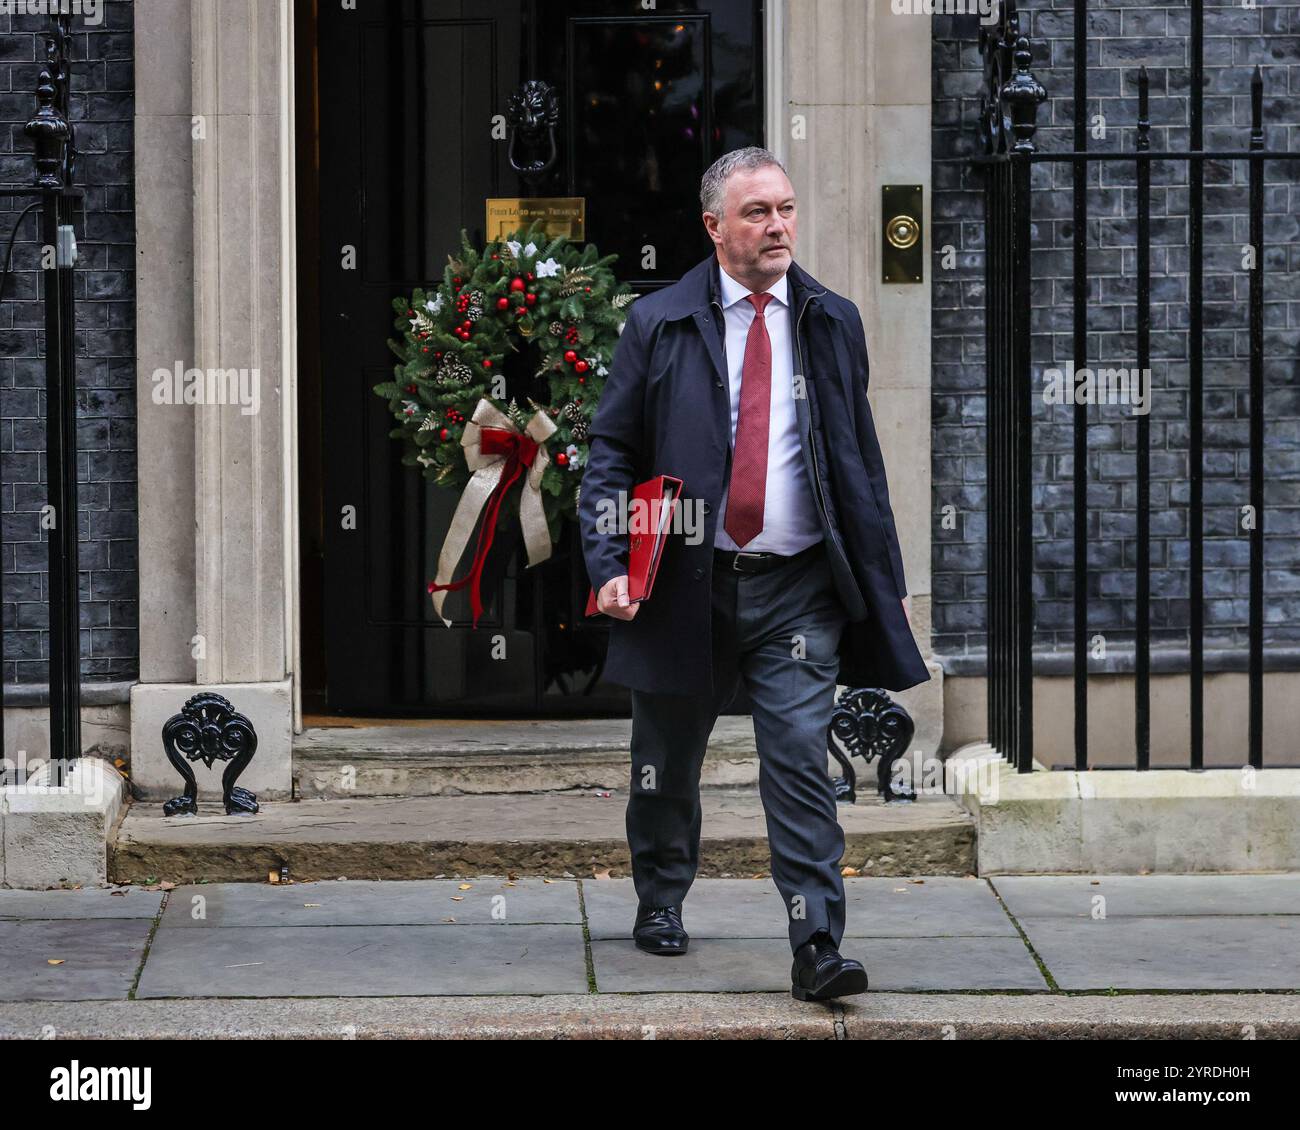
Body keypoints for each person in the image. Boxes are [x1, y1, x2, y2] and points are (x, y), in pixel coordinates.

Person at [577, 146, 930, 1002]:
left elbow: (857, 460)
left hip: (797, 586)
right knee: (664, 758)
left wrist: (880, 577)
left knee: (801, 759)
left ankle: (816, 941)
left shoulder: (831, 320)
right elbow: (612, 453)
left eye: (786, 209)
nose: (778, 227)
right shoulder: (659, 323)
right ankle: (661, 896)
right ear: (714, 227)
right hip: (683, 581)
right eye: (757, 213)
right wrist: (612, 560)